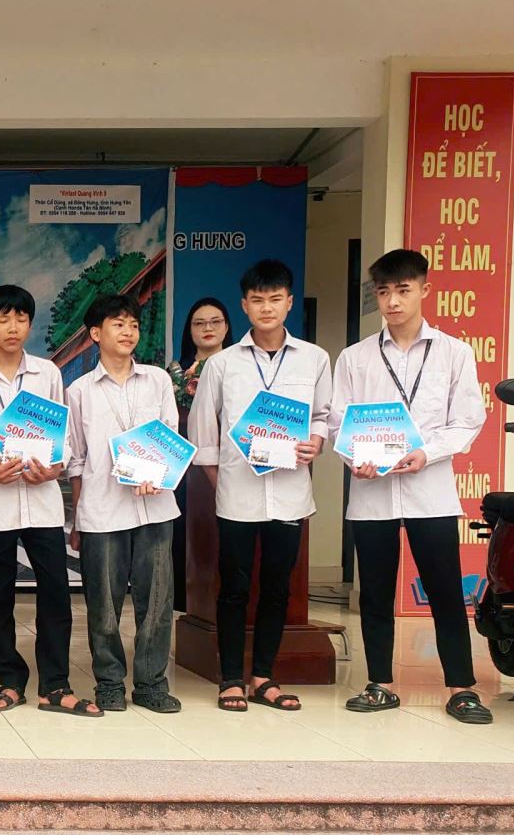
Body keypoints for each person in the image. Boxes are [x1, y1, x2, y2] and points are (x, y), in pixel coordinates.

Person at [331, 249, 491, 724]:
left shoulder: (453, 353)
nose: (393, 302)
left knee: (445, 591)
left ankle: (462, 688)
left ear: (425, 289)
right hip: (372, 493)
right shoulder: (356, 357)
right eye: (384, 292)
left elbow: (468, 419)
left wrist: (428, 452)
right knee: (375, 594)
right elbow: (339, 420)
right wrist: (354, 458)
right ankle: (380, 684)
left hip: (430, 490)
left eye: (403, 290)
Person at [189, 260, 330, 713]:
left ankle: (264, 677)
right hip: (237, 495)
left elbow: (324, 416)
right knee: (233, 587)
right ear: (244, 306)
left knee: (277, 588)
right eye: (257, 300)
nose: (266, 307)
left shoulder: (314, 358)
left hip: (289, 493)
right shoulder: (223, 364)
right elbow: (202, 432)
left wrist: (316, 441)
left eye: (275, 299)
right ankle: (231, 678)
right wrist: (222, 482)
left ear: (289, 303)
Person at [0, 285, 100, 717]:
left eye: (20, 318)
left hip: (42, 503)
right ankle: (10, 680)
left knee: (55, 593)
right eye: (3, 319)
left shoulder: (47, 374)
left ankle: (55, 684)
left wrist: (55, 467)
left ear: (29, 325)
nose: (13, 326)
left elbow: (64, 435)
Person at [66, 293, 183, 715]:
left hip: (156, 507)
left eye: (133, 324)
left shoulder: (157, 380)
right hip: (102, 510)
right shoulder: (79, 391)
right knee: (104, 603)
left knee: (157, 602)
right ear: (96, 334)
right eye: (118, 324)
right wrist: (78, 518)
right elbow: (76, 458)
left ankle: (151, 684)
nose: (128, 331)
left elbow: (170, 436)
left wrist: (160, 474)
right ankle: (110, 682)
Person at [168, 296, 235, 611]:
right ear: (189, 330)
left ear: (227, 326)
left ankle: (226, 597)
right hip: (184, 464)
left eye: (215, 321)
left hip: (229, 459)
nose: (208, 328)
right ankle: (187, 600)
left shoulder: (240, 367)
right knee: (186, 530)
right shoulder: (174, 371)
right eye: (199, 323)